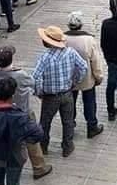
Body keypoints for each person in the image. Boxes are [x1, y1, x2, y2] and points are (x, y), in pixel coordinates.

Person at [0, 45, 52, 179]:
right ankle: (38, 167)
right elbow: (33, 83)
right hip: (22, 111)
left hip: (2, 112)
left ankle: (6, 163)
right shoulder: (20, 74)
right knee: (31, 140)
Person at [31, 26, 87, 157]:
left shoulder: (45, 58)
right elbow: (83, 67)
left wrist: (39, 92)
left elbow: (35, 77)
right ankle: (67, 147)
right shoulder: (71, 52)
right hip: (67, 93)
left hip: (50, 96)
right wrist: (75, 81)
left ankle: (43, 147)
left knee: (45, 123)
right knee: (68, 122)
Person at [64, 12, 104, 139]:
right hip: (87, 77)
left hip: (69, 78)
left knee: (71, 102)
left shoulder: (63, 39)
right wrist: (98, 76)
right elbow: (95, 61)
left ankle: (70, 124)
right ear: (81, 24)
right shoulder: (88, 40)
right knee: (89, 101)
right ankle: (92, 126)